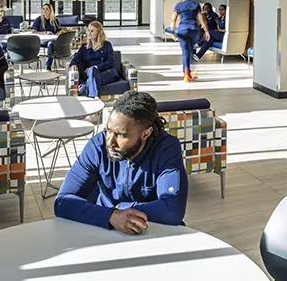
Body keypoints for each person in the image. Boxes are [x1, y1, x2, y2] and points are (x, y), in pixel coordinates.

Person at [55, 91, 188, 231]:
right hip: (105, 229)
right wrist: (111, 216)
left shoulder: (166, 149)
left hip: (153, 231)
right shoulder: (97, 146)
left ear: (145, 134)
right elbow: (62, 202)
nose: (110, 142)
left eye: (120, 135)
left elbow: (173, 211)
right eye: (108, 130)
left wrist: (121, 208)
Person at [69, 20, 120, 98]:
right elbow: (76, 59)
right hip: (90, 74)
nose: (89, 33)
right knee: (93, 74)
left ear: (98, 32)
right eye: (88, 30)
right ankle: (95, 98)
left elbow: (111, 62)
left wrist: (95, 67)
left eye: (92, 31)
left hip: (106, 73)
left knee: (93, 73)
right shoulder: (84, 47)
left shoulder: (107, 45)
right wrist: (73, 65)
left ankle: (86, 88)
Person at [170, 0, 209, 82]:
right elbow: (201, 19)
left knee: (185, 52)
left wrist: (172, 32)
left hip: (183, 31)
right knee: (190, 50)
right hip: (194, 31)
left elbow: (173, 20)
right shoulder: (196, 5)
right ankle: (189, 72)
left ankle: (186, 74)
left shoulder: (178, 5)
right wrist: (206, 31)